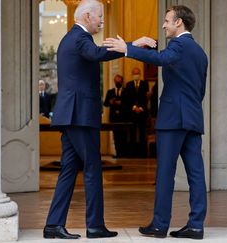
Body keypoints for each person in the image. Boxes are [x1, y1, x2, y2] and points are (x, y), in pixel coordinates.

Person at [104, 5, 208, 239]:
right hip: (192, 117)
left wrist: (127, 48)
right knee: (196, 174)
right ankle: (196, 226)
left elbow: (161, 59)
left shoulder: (178, 45)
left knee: (165, 173)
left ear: (179, 22)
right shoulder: (200, 52)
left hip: (172, 119)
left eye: (167, 21)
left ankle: (160, 225)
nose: (164, 25)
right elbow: (200, 90)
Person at [43, 0, 124, 239]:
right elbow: (97, 54)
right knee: (92, 167)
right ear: (87, 16)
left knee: (69, 169)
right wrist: (127, 47)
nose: (101, 20)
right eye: (99, 16)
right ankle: (95, 226)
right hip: (80, 116)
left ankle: (53, 225)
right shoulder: (81, 38)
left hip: (71, 115)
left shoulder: (71, 37)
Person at [103, 74, 129, 157]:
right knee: (116, 136)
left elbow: (129, 103)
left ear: (122, 81)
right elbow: (105, 103)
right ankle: (117, 153)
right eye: (116, 81)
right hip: (114, 117)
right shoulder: (110, 92)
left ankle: (123, 153)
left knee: (123, 136)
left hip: (123, 117)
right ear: (114, 81)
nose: (118, 82)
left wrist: (122, 103)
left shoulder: (126, 91)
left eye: (119, 81)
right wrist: (110, 102)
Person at [125, 67, 149, 157]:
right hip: (132, 113)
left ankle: (143, 154)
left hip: (142, 113)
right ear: (132, 74)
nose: (136, 75)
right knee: (132, 133)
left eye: (137, 73)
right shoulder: (129, 85)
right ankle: (132, 153)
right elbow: (128, 98)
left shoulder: (144, 84)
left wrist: (141, 108)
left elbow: (146, 98)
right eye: (135, 73)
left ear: (140, 74)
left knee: (142, 133)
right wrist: (134, 107)